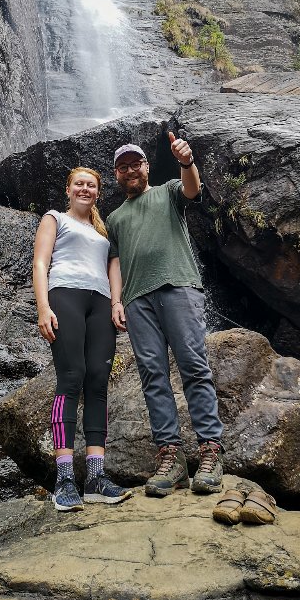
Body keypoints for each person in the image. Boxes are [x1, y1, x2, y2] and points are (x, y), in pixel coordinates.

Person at [106, 133, 224, 497]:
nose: (130, 170)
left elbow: (192, 190)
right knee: (153, 375)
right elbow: (114, 260)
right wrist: (116, 301)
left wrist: (187, 162)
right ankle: (171, 458)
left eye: (135, 164)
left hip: (179, 286)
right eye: (123, 167)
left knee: (193, 365)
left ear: (146, 167)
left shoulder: (168, 191)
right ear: (116, 175)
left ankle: (211, 452)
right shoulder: (114, 218)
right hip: (138, 299)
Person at [32, 167, 133, 512]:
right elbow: (41, 262)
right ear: (69, 189)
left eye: (91, 185)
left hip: (101, 302)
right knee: (71, 377)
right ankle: (63, 477)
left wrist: (117, 302)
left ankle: (94, 476)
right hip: (65, 294)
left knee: (98, 383)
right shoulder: (54, 218)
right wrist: (43, 307)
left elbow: (113, 268)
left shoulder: (103, 231)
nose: (85, 188)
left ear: (97, 193)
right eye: (80, 183)